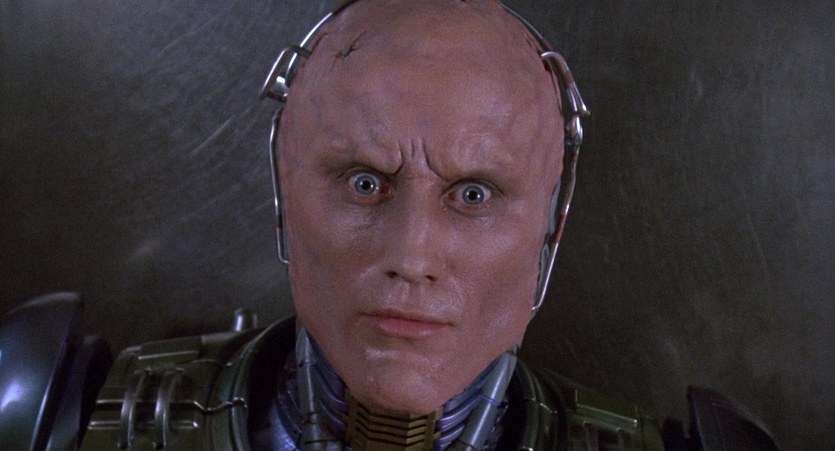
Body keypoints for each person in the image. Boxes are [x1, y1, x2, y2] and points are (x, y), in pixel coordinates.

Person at [0, 1, 781, 450]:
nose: (412, 255)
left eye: (473, 194)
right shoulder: (53, 414)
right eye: (365, 182)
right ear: (286, 195)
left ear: (549, 228)